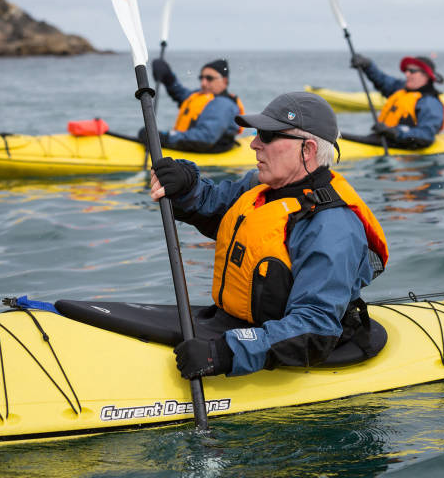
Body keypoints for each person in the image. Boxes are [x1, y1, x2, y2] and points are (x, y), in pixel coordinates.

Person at [150, 91, 389, 379]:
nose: (253, 143)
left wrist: (224, 353)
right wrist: (185, 183)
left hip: (296, 343)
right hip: (240, 323)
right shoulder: (261, 190)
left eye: (267, 135)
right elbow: (212, 204)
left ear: (308, 150)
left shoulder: (331, 227)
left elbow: (315, 326)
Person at [141, 57, 245, 152]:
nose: (203, 83)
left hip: (205, 150)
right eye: (201, 78)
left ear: (225, 81)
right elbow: (180, 93)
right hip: (188, 145)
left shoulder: (224, 105)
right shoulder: (200, 96)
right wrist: (167, 76)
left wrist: (163, 138)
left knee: (147, 134)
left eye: (209, 78)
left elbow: (205, 137)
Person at [348, 53, 444, 149]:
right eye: (407, 70)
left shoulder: (430, 103)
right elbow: (382, 80)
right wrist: (368, 65)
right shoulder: (401, 88)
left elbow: (426, 135)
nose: (407, 74)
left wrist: (395, 132)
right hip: (382, 140)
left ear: (426, 75)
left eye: (412, 71)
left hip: (404, 148)